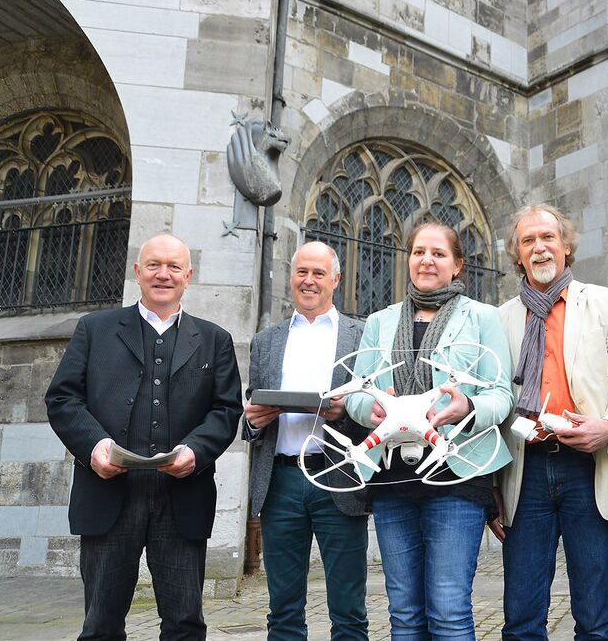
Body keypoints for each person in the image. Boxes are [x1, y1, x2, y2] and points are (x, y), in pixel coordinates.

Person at [45, 233, 243, 640]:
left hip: (181, 499)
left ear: (188, 276)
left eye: (174, 267)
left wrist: (195, 451)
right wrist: (94, 446)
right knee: (100, 624)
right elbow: (63, 398)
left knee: (185, 624)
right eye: (154, 265)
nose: (163, 274)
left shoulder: (214, 339)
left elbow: (226, 410)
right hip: (108, 495)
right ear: (138, 271)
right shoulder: (94, 330)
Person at [346, 220, 513, 640]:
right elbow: (355, 393)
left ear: (457, 265)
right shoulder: (380, 321)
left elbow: (501, 395)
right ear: (408, 260)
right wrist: (373, 412)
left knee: (449, 610)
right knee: (403, 612)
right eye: (419, 251)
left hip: (455, 473)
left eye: (439, 253)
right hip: (391, 476)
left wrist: (468, 406)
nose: (427, 260)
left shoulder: (482, 317)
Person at [492, 204, 608, 641]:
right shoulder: (500, 317)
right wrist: (491, 486)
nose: (539, 248)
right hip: (525, 469)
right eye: (528, 241)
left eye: (548, 238)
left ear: (565, 246)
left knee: (595, 614)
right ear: (517, 255)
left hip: (589, 466)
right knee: (521, 616)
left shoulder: (605, 302)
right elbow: (493, 400)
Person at [242, 241, 369, 640]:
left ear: (335, 279)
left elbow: (378, 415)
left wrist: (345, 412)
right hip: (281, 482)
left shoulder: (362, 336)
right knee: (282, 611)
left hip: (339, 477)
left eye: (318, 273)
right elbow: (249, 420)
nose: (309, 281)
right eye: (302, 272)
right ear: (291, 277)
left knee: (349, 611)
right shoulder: (266, 340)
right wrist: (254, 421)